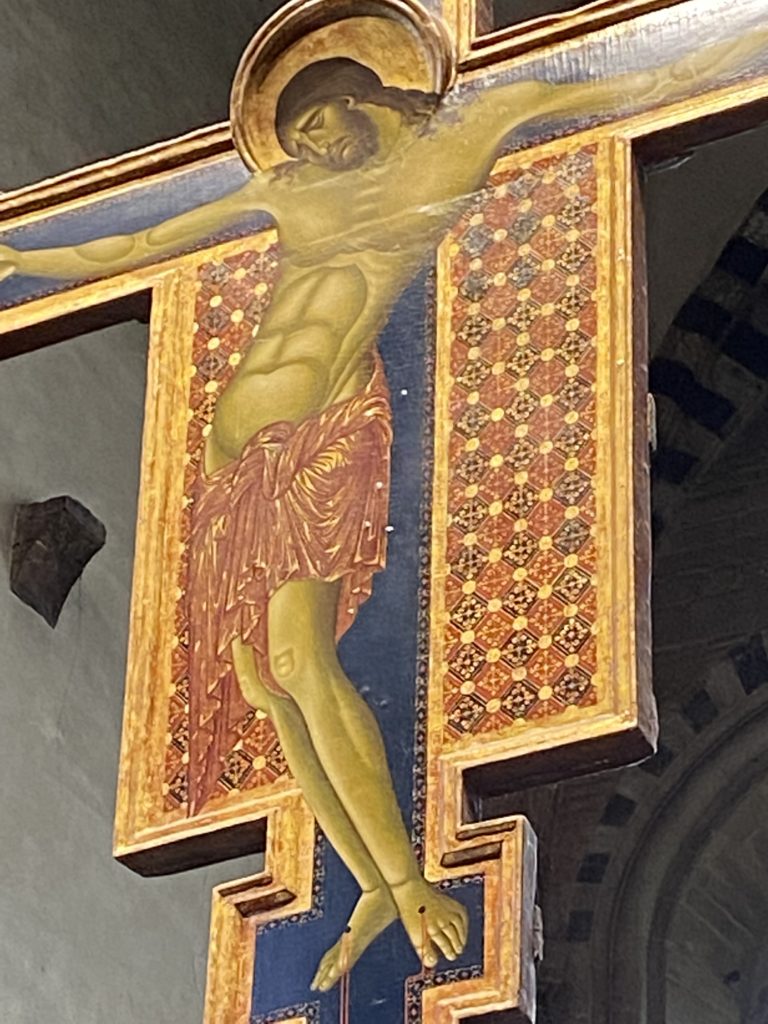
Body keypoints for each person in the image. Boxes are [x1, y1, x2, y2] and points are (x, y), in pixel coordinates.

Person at [1, 26, 766, 992]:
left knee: (300, 661)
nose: (316, 141)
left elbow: (632, 75)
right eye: (298, 132)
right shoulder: (288, 191)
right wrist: (17, 255)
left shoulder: (456, 145)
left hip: (328, 438)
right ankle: (367, 880)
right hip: (237, 472)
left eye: (327, 118)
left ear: (369, 95)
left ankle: (405, 880)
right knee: (269, 684)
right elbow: (138, 239)